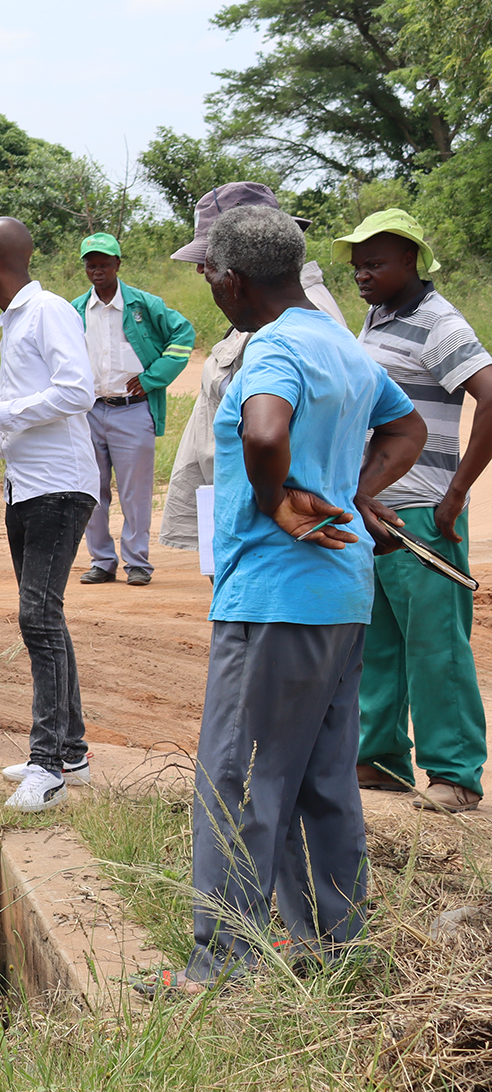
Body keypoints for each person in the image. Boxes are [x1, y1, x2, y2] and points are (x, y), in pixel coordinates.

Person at [139, 205, 423, 996]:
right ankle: (336, 949)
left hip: (274, 597)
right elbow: (406, 431)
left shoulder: (274, 349)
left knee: (238, 776)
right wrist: (353, 491)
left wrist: (277, 500)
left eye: (208, 274)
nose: (208, 286)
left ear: (232, 280)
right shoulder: (341, 342)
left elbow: (264, 433)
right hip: (341, 596)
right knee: (320, 777)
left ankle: (220, 964)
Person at [338, 208, 492, 814]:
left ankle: (455, 774)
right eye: (357, 266)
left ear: (411, 259)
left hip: (424, 513)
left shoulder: (438, 323)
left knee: (436, 647)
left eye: (375, 264)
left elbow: (490, 398)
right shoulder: (380, 316)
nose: (362, 275)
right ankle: (378, 760)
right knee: (378, 642)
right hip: (375, 510)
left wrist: (455, 494)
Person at [0, 218, 97, 814]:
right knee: (45, 618)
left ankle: (47, 765)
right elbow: (37, 414)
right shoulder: (15, 321)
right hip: (29, 486)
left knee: (38, 617)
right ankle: (71, 753)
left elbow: (77, 392)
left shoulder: (48, 311)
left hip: (60, 488)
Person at [159, 182, 344, 555]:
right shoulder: (260, 312)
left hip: (271, 527)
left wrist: (271, 501)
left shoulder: (293, 322)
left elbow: (268, 436)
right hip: (244, 509)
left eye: (211, 257)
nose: (201, 269)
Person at [72, 233, 195, 588]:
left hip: (133, 410)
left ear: (118, 265)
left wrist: (153, 377)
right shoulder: (76, 309)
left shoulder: (143, 305)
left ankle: (137, 562)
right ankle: (101, 561)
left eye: (104, 264)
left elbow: (183, 335)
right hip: (90, 411)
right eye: (91, 265)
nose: (98, 271)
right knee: (92, 489)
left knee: (135, 492)